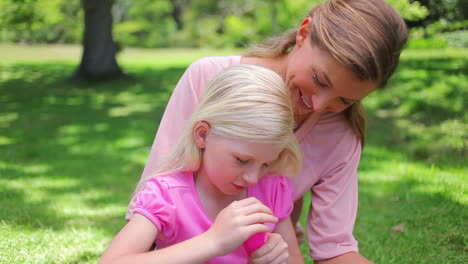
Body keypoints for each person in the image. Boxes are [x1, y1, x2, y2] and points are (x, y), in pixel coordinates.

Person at [127, 0, 408, 263]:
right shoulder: (210, 78)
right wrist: (211, 243)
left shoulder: (341, 136)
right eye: (320, 80)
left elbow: (335, 249)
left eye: (344, 100)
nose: (319, 105)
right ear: (304, 33)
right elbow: (152, 206)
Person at [100, 64, 305, 264]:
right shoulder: (167, 197)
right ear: (203, 135)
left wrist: (279, 258)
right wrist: (212, 242)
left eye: (266, 164)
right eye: (242, 160)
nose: (253, 177)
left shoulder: (271, 190)